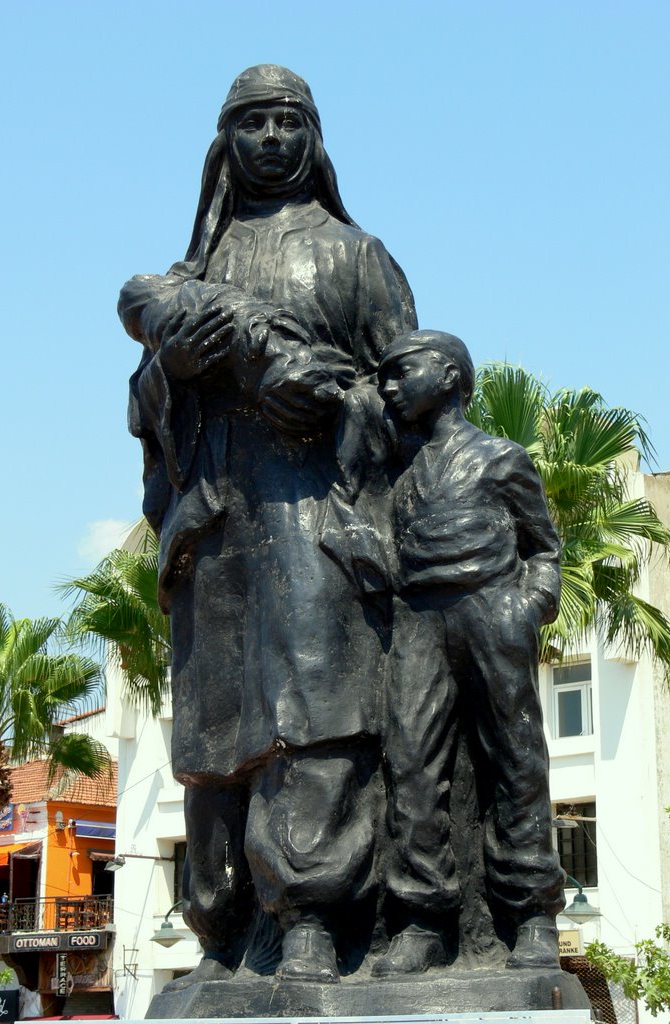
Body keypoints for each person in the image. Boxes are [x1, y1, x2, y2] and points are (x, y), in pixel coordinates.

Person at [119, 64, 417, 984]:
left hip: (317, 515)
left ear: (315, 139)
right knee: (215, 729)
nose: (273, 139)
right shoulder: (190, 274)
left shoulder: (356, 254)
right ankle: (224, 927)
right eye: (254, 123)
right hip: (215, 523)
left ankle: (314, 920)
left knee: (315, 714)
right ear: (226, 145)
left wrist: (328, 400)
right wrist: (167, 365)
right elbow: (143, 409)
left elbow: (413, 395)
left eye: (290, 121)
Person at [365, 330, 566, 975]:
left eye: (404, 372)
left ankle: (530, 913)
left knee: (515, 759)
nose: (390, 386)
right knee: (413, 764)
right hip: (418, 618)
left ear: (448, 376)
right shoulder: (397, 473)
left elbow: (544, 548)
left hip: (489, 608)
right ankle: (423, 918)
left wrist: (524, 609)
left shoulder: (501, 458)